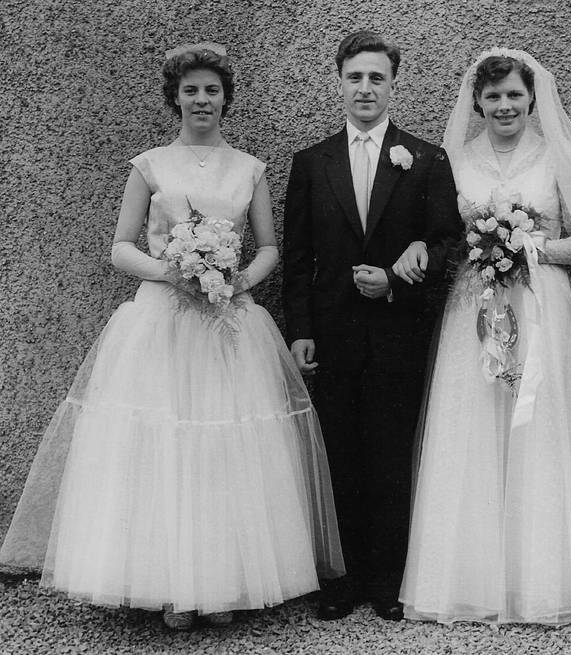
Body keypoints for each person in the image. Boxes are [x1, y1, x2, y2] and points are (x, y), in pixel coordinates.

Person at [0, 43, 344, 631]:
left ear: (226, 99)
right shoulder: (150, 165)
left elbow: (268, 248)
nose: (201, 100)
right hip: (161, 319)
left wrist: (234, 281)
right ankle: (166, 586)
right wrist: (174, 272)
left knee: (225, 448)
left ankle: (223, 583)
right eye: (191, 91)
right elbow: (121, 247)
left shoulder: (250, 169)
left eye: (212, 90)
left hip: (228, 323)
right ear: (175, 98)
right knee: (164, 443)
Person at [399, 48, 571, 625]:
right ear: (477, 102)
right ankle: (472, 580)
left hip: (542, 305)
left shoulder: (556, 156)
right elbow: (440, 232)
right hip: (474, 306)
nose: (504, 105)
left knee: (539, 429)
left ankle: (542, 579)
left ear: (532, 99)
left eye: (514, 95)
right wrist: (484, 249)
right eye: (493, 96)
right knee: (474, 424)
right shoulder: (455, 159)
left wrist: (529, 246)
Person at [282, 31, 462, 622]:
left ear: (393, 84)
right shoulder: (312, 162)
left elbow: (447, 242)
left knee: (390, 453)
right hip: (333, 333)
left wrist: (398, 277)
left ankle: (387, 580)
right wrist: (300, 330)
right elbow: (299, 256)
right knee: (340, 454)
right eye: (355, 77)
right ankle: (345, 578)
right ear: (339, 82)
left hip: (396, 331)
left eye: (376, 78)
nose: (365, 88)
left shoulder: (426, 159)